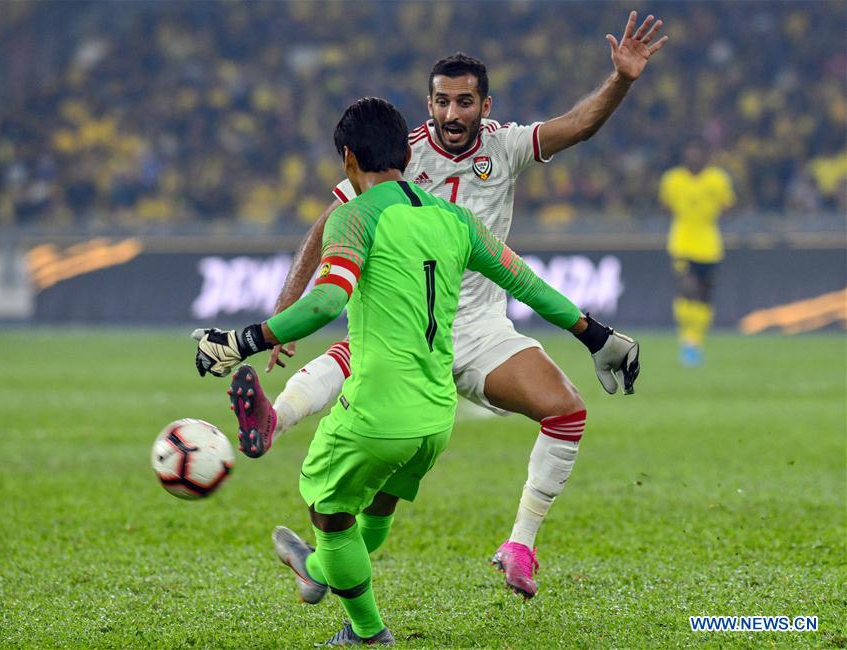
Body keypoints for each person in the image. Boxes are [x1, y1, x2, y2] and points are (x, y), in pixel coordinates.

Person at [237, 11, 667, 599]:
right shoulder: (399, 156)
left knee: (566, 410)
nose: (451, 114)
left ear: (484, 107)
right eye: (441, 101)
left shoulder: (507, 146)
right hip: (406, 318)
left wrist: (621, 80)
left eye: (465, 102)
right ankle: (272, 422)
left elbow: (577, 126)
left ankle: (518, 545)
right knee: (358, 370)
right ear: (428, 103)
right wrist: (288, 306)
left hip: (484, 329)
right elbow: (326, 224)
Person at [193, 97, 639, 646]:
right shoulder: (454, 220)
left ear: (348, 159)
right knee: (378, 500)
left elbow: (325, 303)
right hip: (435, 420)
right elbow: (527, 285)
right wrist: (594, 334)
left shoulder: (352, 216)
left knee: (327, 513)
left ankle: (365, 632)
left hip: (376, 411)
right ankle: (320, 570)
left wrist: (242, 341)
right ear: (407, 152)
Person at [659, 140, 735, 366]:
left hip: (710, 246)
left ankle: (695, 341)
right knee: (687, 289)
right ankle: (687, 340)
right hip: (682, 243)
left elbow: (728, 205)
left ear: (705, 157)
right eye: (688, 155)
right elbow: (665, 206)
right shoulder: (673, 179)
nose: (692, 159)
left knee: (704, 297)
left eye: (696, 155)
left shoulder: (718, 179)